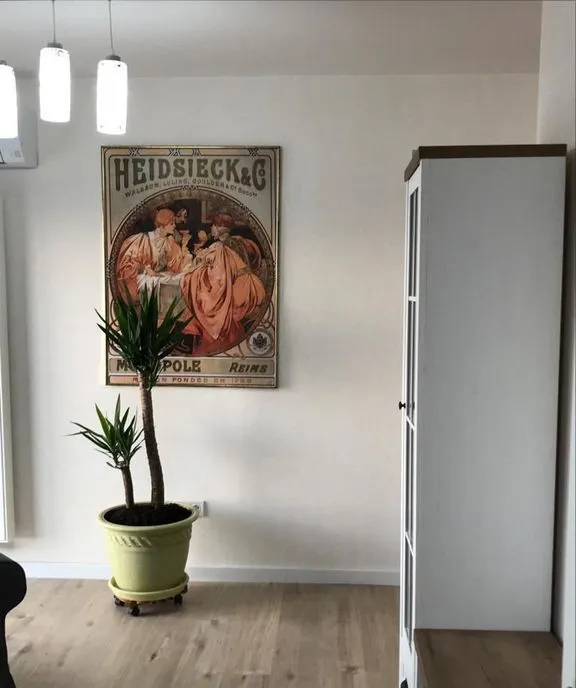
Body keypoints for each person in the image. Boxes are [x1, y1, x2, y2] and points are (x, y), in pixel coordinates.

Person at [180, 213, 266, 354]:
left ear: (219, 227)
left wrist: (192, 275)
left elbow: (218, 277)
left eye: (213, 226)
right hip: (250, 286)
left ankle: (203, 340)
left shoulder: (220, 246)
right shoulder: (235, 242)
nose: (211, 229)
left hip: (238, 289)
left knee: (203, 300)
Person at [115, 208, 184, 303]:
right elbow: (125, 266)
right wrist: (144, 269)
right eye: (171, 223)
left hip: (159, 278)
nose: (175, 226)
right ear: (161, 225)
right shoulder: (141, 240)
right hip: (142, 279)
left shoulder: (170, 242)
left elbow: (177, 265)